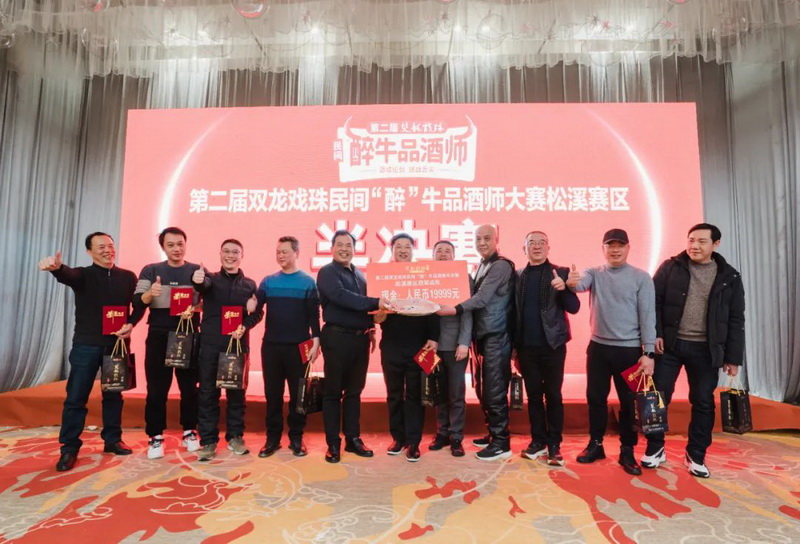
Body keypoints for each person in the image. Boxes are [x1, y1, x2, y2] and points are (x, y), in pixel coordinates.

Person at [641, 223, 745, 478]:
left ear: (715, 244)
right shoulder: (671, 267)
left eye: (701, 241)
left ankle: (696, 454)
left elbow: (736, 318)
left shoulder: (729, 276)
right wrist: (656, 334)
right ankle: (655, 447)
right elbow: (653, 302)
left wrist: (732, 357)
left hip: (707, 350)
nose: (694, 246)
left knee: (703, 402)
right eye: (690, 240)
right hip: (670, 346)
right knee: (657, 398)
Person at [39, 232, 140, 472]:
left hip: (116, 345)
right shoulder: (83, 275)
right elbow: (67, 274)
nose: (108, 250)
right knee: (76, 397)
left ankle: (113, 439)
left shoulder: (127, 277)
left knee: (114, 396)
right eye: (101, 247)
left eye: (110, 246)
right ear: (89, 251)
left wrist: (131, 323)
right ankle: (69, 448)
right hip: (86, 345)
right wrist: (57, 268)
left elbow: (138, 305)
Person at [567, 228, 656, 476]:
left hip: (629, 351)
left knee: (628, 403)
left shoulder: (641, 277)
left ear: (628, 248)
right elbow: (579, 285)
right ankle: (595, 444)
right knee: (596, 399)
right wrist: (571, 282)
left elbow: (648, 316)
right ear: (603, 249)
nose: (615, 250)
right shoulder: (594, 273)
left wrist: (648, 353)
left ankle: (627, 450)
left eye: (620, 245)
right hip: (598, 348)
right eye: (610, 245)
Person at [438, 224, 515, 461]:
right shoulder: (482, 265)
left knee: (495, 389)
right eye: (478, 238)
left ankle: (501, 442)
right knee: (483, 389)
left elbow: (481, 299)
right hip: (482, 336)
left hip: (496, 335)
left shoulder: (500, 265)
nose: (482, 242)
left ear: (496, 239)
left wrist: (456, 308)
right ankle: (493, 434)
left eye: (487, 238)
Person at [316, 229, 391, 463]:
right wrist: (376, 301)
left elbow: (365, 309)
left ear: (354, 249)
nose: (344, 249)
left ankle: (352, 438)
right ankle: (333, 443)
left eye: (348, 245)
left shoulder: (360, 275)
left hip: (360, 339)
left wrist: (373, 325)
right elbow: (341, 297)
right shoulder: (327, 272)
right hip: (337, 338)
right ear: (332, 248)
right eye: (339, 245)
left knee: (354, 391)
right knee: (333, 393)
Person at [133, 227, 201, 459]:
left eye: (180, 244)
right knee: (156, 389)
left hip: (187, 335)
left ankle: (190, 431)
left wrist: (195, 308)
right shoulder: (151, 270)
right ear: (163, 247)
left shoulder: (196, 271)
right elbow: (138, 301)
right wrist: (150, 293)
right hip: (159, 335)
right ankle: (155, 436)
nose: (177, 249)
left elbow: (208, 302)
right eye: (171, 245)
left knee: (189, 389)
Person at [191, 239, 263, 461]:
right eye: (226, 251)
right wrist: (197, 279)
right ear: (220, 254)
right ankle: (208, 441)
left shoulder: (250, 285)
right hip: (210, 344)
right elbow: (201, 286)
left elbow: (257, 313)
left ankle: (235, 437)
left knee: (236, 394)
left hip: (237, 345)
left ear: (242, 256)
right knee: (207, 393)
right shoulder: (211, 279)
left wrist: (245, 325)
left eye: (235, 252)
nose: (230, 255)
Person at [513, 231, 580, 466]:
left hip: (553, 346)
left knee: (553, 395)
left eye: (542, 242)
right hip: (526, 348)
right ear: (524, 249)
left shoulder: (560, 272)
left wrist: (564, 288)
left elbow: (574, 307)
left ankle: (554, 445)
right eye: (532, 243)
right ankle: (537, 441)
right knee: (533, 396)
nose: (537, 246)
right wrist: (514, 347)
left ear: (548, 248)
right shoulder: (517, 276)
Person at [252, 236, 321, 458]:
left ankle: (296, 438)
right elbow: (256, 307)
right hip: (271, 347)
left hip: (299, 348)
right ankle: (272, 439)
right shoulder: (268, 281)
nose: (280, 255)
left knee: (298, 395)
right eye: (278, 252)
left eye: (285, 251)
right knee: (272, 395)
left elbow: (314, 316)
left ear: (296, 253)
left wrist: (316, 340)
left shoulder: (308, 282)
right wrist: (250, 305)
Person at [375, 234, 439, 462]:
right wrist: (378, 316)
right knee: (393, 394)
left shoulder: (422, 277)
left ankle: (413, 442)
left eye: (407, 247)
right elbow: (376, 316)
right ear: (392, 250)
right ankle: (398, 438)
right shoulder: (383, 278)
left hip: (419, 346)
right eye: (398, 247)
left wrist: (434, 337)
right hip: (391, 346)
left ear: (413, 250)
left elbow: (433, 308)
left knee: (415, 395)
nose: (403, 250)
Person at [428, 240, 472, 458]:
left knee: (456, 393)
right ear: (433, 255)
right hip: (431, 345)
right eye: (439, 251)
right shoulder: (426, 277)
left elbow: (468, 311)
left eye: (447, 251)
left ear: (454, 255)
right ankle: (442, 433)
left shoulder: (463, 277)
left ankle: (456, 436)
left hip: (456, 346)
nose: (443, 254)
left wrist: (464, 342)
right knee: (439, 392)